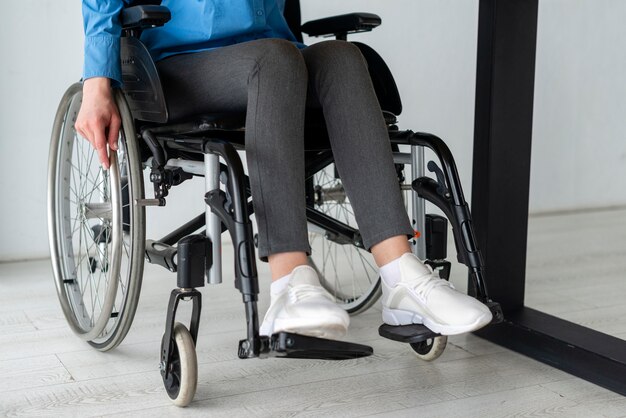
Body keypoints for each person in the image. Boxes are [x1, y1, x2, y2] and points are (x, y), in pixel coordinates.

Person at [76, 0, 492, 340]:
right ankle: (289, 278)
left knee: (343, 58)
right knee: (275, 61)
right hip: (178, 62)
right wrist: (97, 80)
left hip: (274, 50)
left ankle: (402, 278)